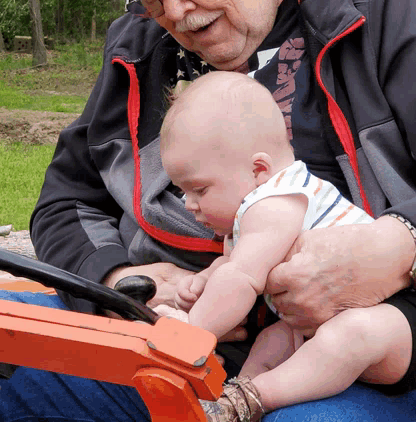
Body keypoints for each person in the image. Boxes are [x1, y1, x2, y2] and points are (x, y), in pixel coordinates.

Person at [0, 0, 416, 422]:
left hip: (358, 347)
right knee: (30, 390)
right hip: (188, 341)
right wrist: (122, 277)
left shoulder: (383, 10)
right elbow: (64, 204)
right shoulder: (138, 50)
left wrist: (403, 246)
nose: (177, 14)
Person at [158, 70, 415, 421]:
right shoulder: (253, 205)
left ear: (258, 169)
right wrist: (206, 279)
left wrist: (191, 332)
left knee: (347, 337)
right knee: (274, 342)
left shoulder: (274, 204)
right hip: (318, 323)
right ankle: (236, 394)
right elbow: (235, 266)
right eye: (182, 191)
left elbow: (244, 277)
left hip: (391, 319)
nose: (189, 204)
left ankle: (251, 399)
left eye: (199, 190)